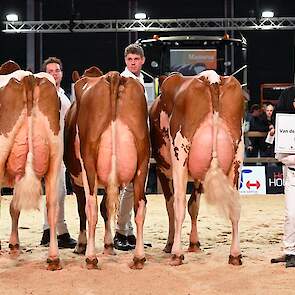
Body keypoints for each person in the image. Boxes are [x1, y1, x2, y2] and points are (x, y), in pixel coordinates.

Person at [40, 57, 77, 249]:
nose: (54, 74)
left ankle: (50, 230)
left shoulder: (62, 93)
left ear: (62, 73)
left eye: (57, 70)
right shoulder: (44, 94)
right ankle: (57, 232)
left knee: (57, 190)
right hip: (50, 148)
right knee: (57, 190)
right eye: (50, 71)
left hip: (61, 146)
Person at [113, 44, 147, 251]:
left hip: (141, 137)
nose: (133, 62)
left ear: (142, 60)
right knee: (127, 186)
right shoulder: (121, 81)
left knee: (136, 188)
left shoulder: (144, 81)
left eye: (136, 59)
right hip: (126, 138)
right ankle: (119, 230)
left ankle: (128, 232)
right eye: (129, 59)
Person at [271, 86, 295, 267]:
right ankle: (290, 251)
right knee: (291, 214)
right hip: (292, 175)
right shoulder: (285, 129)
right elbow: (281, 156)